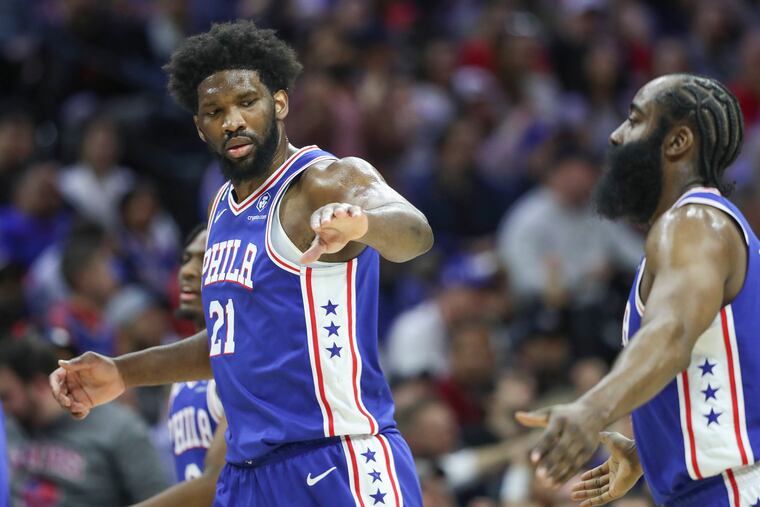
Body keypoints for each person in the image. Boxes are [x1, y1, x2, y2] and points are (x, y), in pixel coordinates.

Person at [50, 20, 433, 507]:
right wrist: (123, 373)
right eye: (214, 111)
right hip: (248, 478)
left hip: (336, 460)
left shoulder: (323, 180)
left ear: (279, 103)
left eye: (246, 103)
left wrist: (363, 225)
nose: (232, 121)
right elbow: (230, 343)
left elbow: (415, 233)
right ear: (199, 125)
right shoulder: (222, 208)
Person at [517, 73, 760, 506]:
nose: (615, 136)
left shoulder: (692, 225)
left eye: (634, 120)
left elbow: (671, 334)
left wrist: (592, 409)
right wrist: (651, 448)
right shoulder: (706, 231)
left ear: (677, 141)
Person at [1, 337, 169, 506]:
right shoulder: (10, 429)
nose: (3, 408)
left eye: (6, 396)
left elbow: (158, 497)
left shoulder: (119, 428)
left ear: (40, 386)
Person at [132, 225, 228, 507]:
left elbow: (216, 484)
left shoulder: (241, 366)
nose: (188, 271)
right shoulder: (179, 378)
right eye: (186, 259)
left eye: (204, 259)